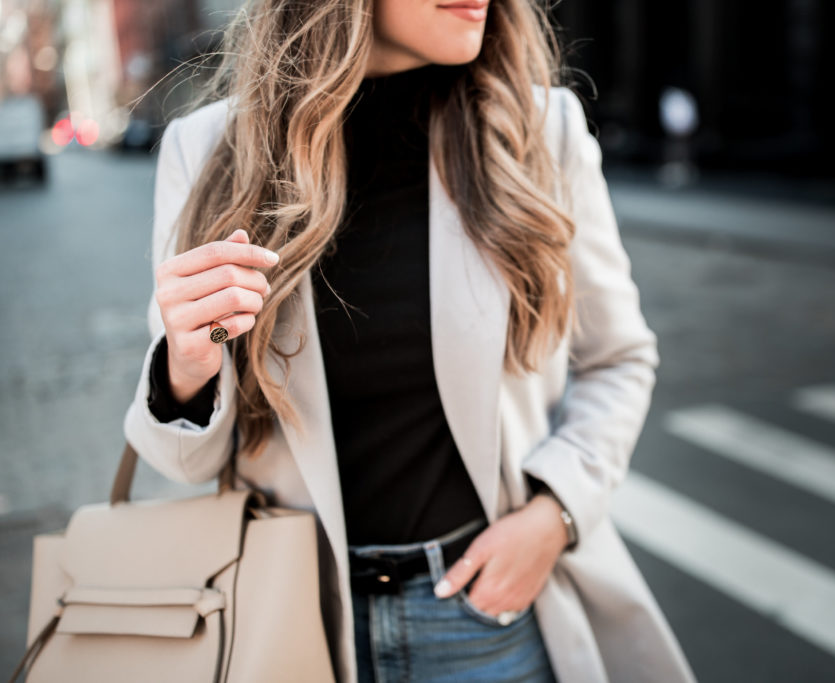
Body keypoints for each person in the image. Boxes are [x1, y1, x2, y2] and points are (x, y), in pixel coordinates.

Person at [123, 0, 700, 681]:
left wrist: (555, 513)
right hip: (290, 622)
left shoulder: (541, 130)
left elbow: (620, 357)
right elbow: (186, 462)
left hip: (486, 618)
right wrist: (186, 367)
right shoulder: (213, 149)